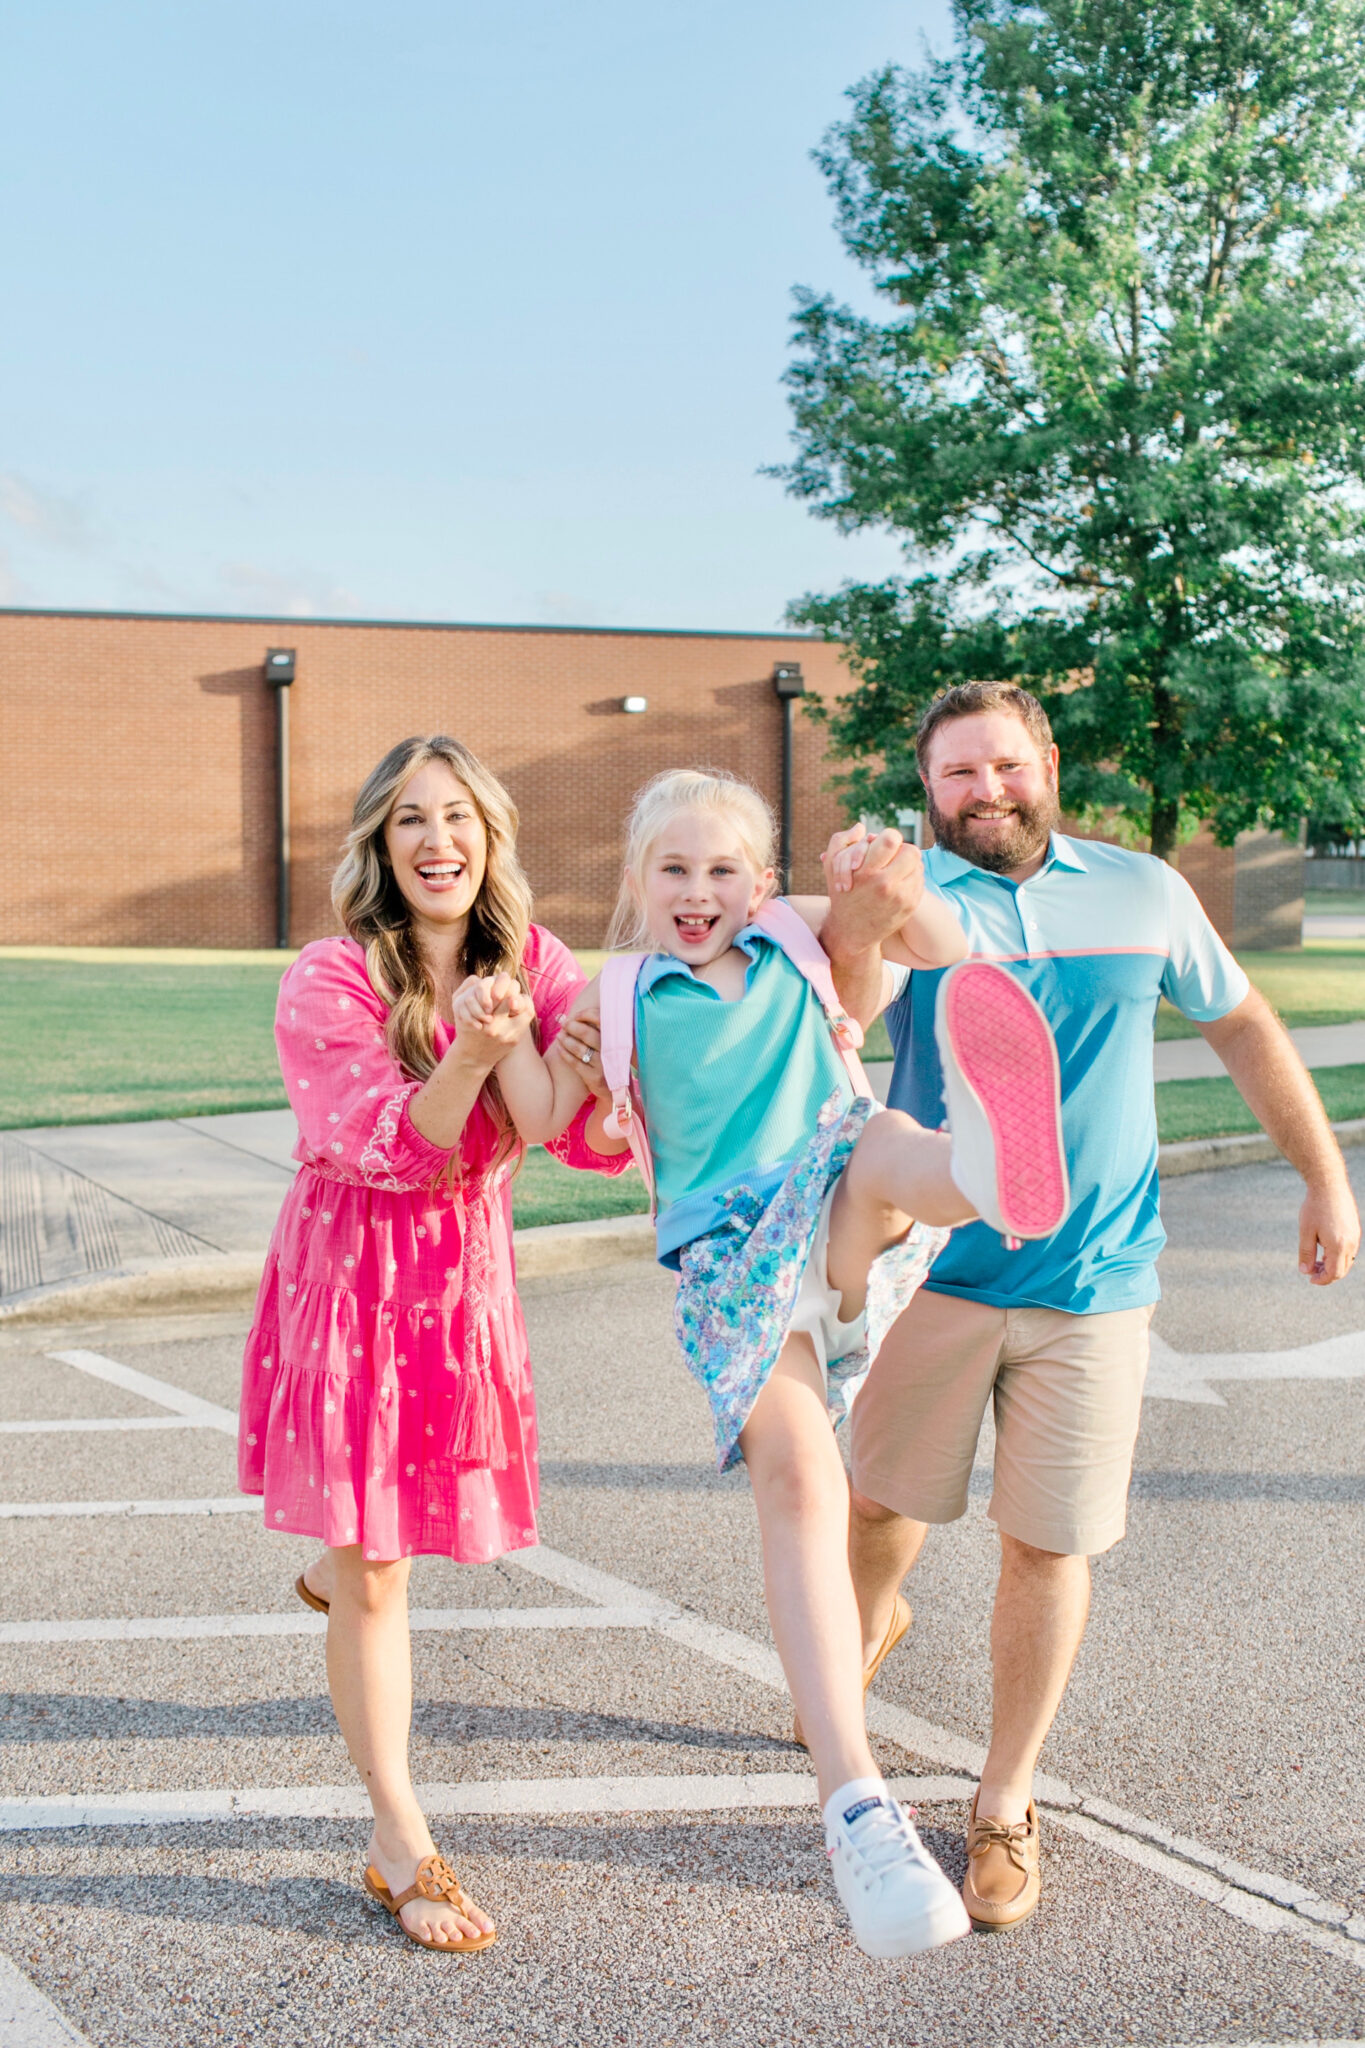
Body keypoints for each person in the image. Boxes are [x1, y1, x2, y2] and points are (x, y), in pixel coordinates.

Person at [451, 767, 1071, 1959]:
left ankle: (993, 1174)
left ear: (761, 878)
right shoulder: (617, 991)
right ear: (635, 884)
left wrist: (878, 879)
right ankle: (856, 1803)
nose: (699, 891)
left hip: (841, 1205)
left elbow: (937, 945)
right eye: (673, 870)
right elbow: (538, 1118)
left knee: (883, 1135)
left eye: (723, 868)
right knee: (800, 1475)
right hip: (734, 1265)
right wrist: (510, 1041)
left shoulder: (799, 937)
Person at [818, 681, 1362, 1933]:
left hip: (1097, 1280)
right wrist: (858, 924)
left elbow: (1243, 1024)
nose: (987, 790)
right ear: (928, 789)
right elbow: (843, 1022)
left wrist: (1326, 1175)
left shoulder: (1144, 890)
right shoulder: (915, 903)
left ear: (1047, 762)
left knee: (1047, 1541)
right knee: (879, 1503)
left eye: (1004, 764)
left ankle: (1004, 1798)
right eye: (958, 774)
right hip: (934, 1274)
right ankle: (867, 1623)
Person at [237, 735, 629, 1954]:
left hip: (461, 1293)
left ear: (492, 837)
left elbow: (571, 1135)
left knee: (379, 1550)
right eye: (409, 819)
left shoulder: (538, 959)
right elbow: (396, 1149)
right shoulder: (329, 976)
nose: (435, 840)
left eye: (457, 816)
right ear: (378, 843)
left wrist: (565, 1055)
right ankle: (398, 1836)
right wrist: (465, 1043)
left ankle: (338, 1567)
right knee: (380, 1568)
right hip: (353, 1282)